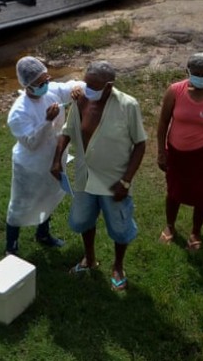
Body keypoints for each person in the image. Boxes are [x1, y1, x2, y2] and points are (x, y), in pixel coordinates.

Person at [50, 61, 147, 291]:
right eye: (86, 83)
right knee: (82, 220)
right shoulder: (81, 99)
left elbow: (140, 145)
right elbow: (68, 131)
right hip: (85, 177)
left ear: (109, 85)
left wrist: (126, 180)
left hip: (115, 182)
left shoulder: (128, 105)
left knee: (120, 227)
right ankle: (90, 258)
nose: (87, 88)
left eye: (94, 85)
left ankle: (118, 266)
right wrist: (56, 159)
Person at [4, 56, 84, 256]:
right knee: (20, 204)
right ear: (28, 85)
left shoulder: (52, 92)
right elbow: (31, 143)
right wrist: (47, 121)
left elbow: (72, 86)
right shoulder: (18, 112)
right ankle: (11, 246)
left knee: (49, 197)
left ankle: (43, 234)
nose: (46, 84)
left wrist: (78, 89)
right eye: (40, 83)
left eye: (47, 79)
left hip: (55, 158)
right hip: (30, 166)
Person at [156, 52, 203, 251]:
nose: (201, 77)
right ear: (187, 72)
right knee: (174, 192)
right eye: (196, 73)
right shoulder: (175, 91)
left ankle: (195, 232)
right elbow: (163, 123)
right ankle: (170, 226)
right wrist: (161, 152)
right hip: (177, 152)